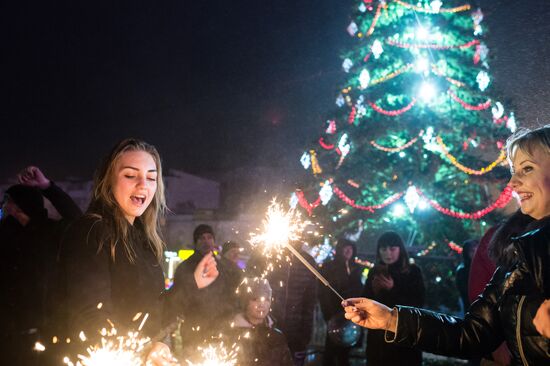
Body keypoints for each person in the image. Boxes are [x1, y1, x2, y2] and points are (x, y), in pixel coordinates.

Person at [343, 125, 550, 365]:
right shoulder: (517, 254)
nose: (513, 182)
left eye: (527, 169)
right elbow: (472, 334)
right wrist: (391, 319)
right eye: (514, 171)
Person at [60, 138, 216, 365]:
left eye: (151, 177)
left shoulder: (146, 241)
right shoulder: (93, 230)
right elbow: (90, 316)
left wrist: (193, 282)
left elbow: (155, 308)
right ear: (108, 181)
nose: (143, 184)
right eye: (130, 175)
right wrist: (144, 350)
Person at [0, 166, 82, 366]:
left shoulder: (52, 232)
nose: (4, 206)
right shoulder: (5, 234)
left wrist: (47, 187)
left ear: (19, 206)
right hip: (8, 335)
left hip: (49, 332)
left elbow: (79, 221)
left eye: (7, 201)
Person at [166, 224, 237, 353]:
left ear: (214, 241)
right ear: (195, 242)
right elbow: (177, 298)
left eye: (209, 237)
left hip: (221, 331)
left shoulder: (224, 266)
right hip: (194, 332)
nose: (206, 241)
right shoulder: (185, 267)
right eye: (201, 238)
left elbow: (233, 294)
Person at [362, 231, 425, 366]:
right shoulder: (375, 272)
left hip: (404, 336)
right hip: (378, 337)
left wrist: (393, 289)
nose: (388, 253)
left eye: (392, 249)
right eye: (383, 249)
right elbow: (367, 300)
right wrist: (374, 291)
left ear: (400, 250)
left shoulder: (412, 272)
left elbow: (418, 303)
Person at [222, 277, 293, 366]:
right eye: (255, 299)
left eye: (266, 299)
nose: (261, 305)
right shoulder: (232, 335)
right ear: (246, 302)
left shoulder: (277, 337)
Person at [318, 238, 364, 366]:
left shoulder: (356, 268)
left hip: (352, 315)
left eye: (351, 247)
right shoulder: (330, 267)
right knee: (331, 349)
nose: (349, 250)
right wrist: (328, 314)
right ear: (340, 249)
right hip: (335, 314)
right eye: (345, 247)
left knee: (346, 351)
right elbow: (324, 292)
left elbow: (359, 289)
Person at [455, 238, 479, 313]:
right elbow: (465, 292)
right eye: (472, 251)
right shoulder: (462, 270)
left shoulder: (480, 267)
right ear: (467, 253)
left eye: (477, 250)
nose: (475, 253)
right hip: (471, 308)